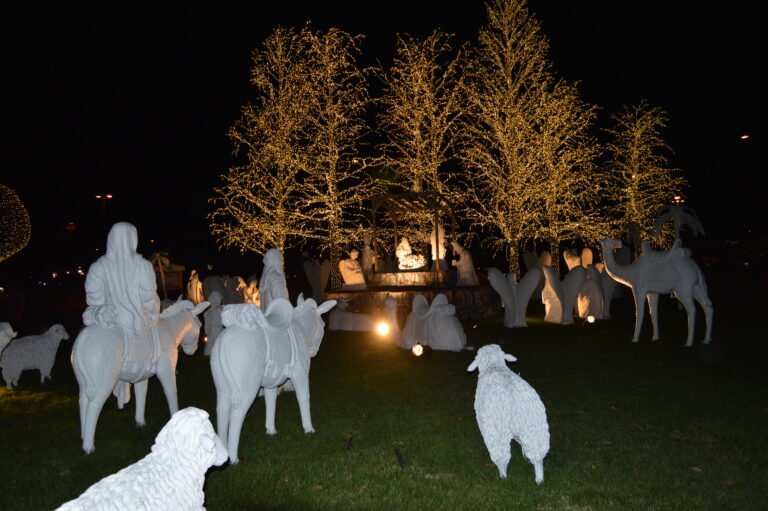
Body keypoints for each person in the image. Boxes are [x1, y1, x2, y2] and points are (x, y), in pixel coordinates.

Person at [83, 222, 160, 341]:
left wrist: (102, 311)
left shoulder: (97, 267)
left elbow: (94, 300)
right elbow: (148, 298)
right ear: (133, 239)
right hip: (138, 322)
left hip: (109, 318)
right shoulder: (144, 266)